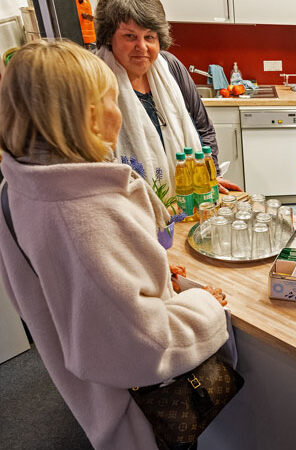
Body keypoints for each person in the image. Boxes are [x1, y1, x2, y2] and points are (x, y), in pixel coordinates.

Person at [0, 40, 229, 450]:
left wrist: (147, 274)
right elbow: (149, 346)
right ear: (87, 117)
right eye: (113, 99)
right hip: (143, 413)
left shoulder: (15, 188)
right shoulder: (84, 213)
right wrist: (207, 307)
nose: (120, 112)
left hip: (87, 392)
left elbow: (49, 291)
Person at [93, 0, 238, 193]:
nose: (142, 47)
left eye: (150, 37)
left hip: (187, 196)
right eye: (130, 36)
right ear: (109, 37)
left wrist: (210, 174)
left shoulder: (170, 66)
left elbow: (203, 128)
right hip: (127, 202)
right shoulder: (94, 76)